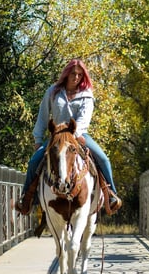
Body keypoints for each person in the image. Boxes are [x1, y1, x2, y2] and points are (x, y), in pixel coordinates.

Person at [15, 58, 122, 215]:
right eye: (73, 73)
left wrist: (75, 134)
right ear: (66, 73)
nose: (76, 77)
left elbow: (84, 119)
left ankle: (111, 194)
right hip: (56, 135)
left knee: (103, 158)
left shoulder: (86, 95)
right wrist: (38, 139)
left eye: (80, 74)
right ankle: (27, 198)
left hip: (78, 134)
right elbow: (43, 117)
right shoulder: (53, 91)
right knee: (34, 161)